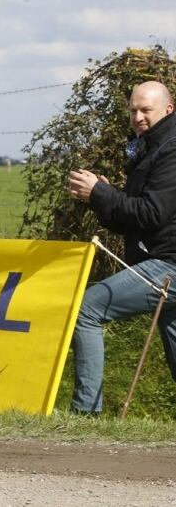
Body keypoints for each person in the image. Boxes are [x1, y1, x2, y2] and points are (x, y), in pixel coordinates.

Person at [67, 80, 176, 414]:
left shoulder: (170, 149)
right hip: (163, 260)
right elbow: (133, 217)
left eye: (147, 110)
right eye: (134, 110)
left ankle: (86, 414)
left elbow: (152, 212)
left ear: (168, 110)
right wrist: (99, 197)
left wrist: (101, 193)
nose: (139, 117)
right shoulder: (148, 146)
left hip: (168, 265)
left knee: (86, 309)